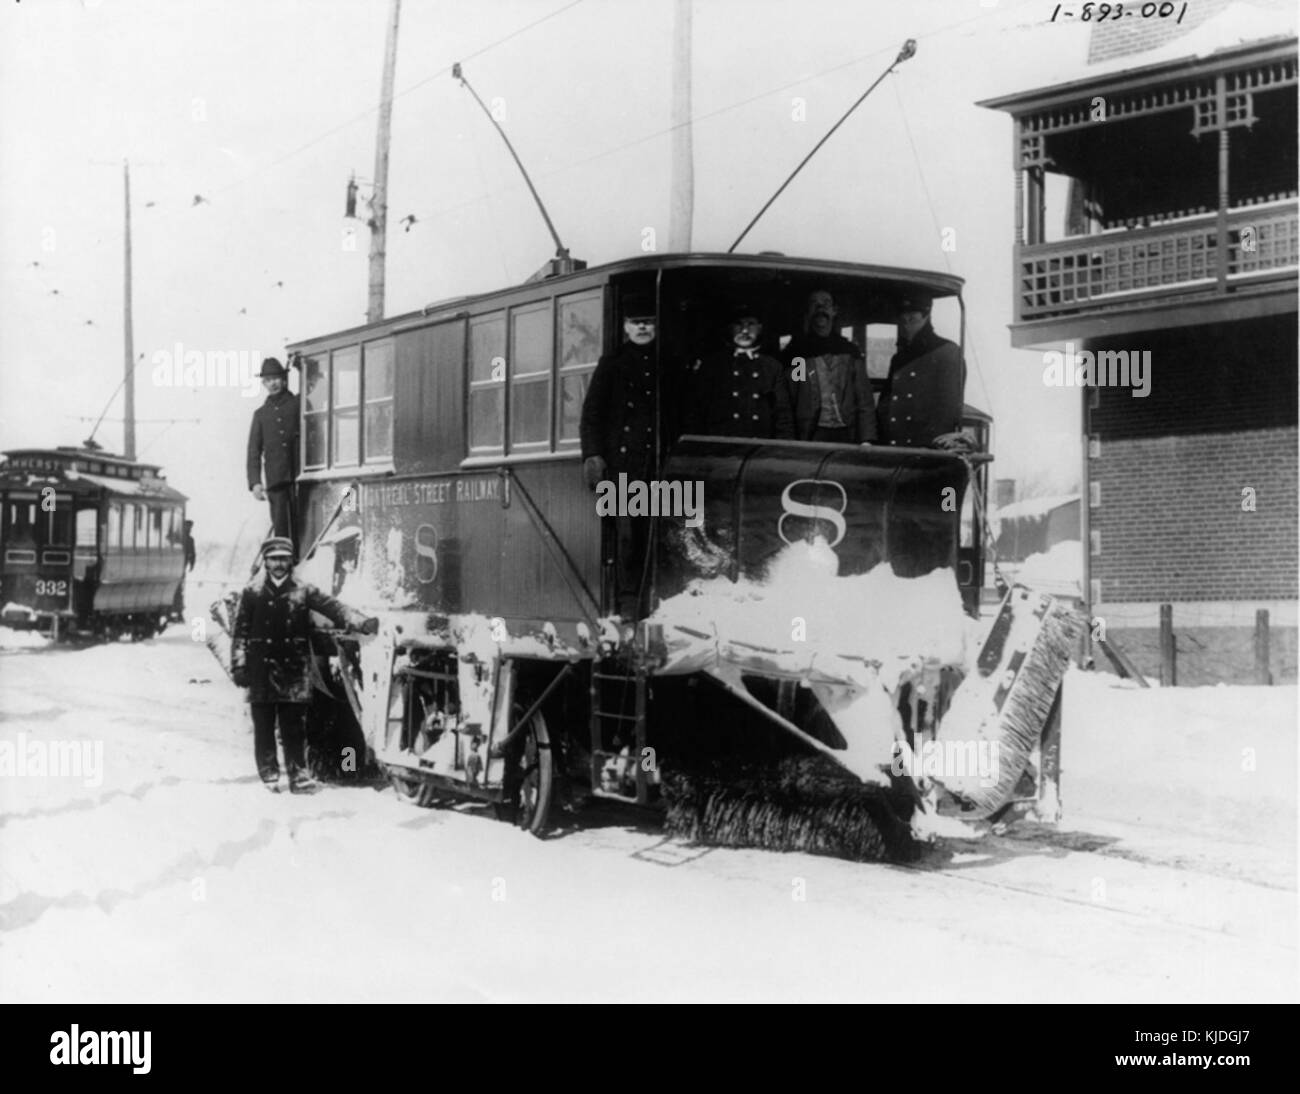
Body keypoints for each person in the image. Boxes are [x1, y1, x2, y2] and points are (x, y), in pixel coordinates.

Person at [230, 537, 378, 794]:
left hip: (293, 670)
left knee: (294, 727)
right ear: (266, 561)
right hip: (261, 670)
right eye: (274, 559)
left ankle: (298, 775)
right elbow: (240, 633)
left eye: (284, 559)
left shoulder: (303, 590)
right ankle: (269, 774)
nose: (279, 564)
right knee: (264, 727)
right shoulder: (252, 593)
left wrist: (361, 622)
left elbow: (333, 608)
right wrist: (239, 666)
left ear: (291, 562)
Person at [579, 293, 660, 616]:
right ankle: (629, 605)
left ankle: (659, 601)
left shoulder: (667, 363)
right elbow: (591, 415)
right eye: (636, 322)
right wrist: (594, 455)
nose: (642, 327)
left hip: (657, 464)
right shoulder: (611, 365)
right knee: (628, 538)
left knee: (662, 533)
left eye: (649, 322)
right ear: (626, 326)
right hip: (622, 468)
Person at [685, 303, 795, 440]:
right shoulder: (712, 366)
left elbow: (783, 416)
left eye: (751, 324)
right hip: (722, 448)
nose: (744, 330)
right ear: (730, 328)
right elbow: (697, 413)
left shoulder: (772, 367)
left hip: (758, 447)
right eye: (739, 324)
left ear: (760, 328)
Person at [782, 289, 876, 443]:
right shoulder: (798, 354)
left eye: (826, 304)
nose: (820, 309)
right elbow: (792, 398)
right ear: (808, 312)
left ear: (834, 311)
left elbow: (864, 400)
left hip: (848, 434)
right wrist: (791, 440)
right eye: (815, 304)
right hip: (811, 435)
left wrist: (867, 439)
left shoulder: (850, 353)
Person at [876, 291, 966, 448]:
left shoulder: (947, 353)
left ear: (926, 315)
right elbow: (886, 404)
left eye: (912, 319)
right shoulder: (899, 359)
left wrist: (930, 448)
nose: (907, 325)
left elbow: (947, 410)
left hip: (923, 449)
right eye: (903, 320)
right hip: (893, 448)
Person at [246, 356, 299, 542]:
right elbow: (254, 452)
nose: (273, 384)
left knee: (303, 526)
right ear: (263, 383)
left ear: (283, 379)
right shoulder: (260, 415)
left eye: (276, 378)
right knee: (281, 531)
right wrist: (255, 483)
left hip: (299, 477)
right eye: (268, 380)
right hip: (276, 483)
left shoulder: (298, 404)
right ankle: (285, 569)